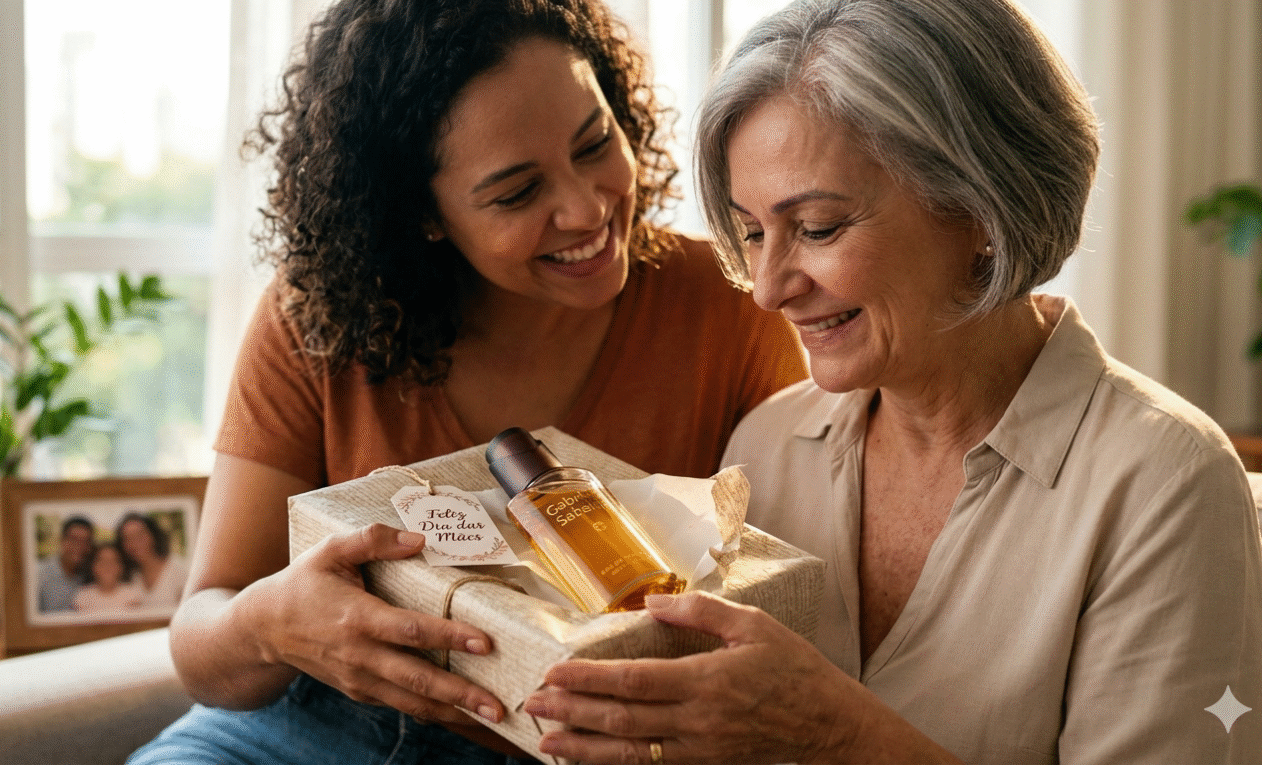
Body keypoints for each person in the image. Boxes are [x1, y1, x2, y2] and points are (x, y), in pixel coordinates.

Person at [520, 1, 1262, 763]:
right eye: (750, 232)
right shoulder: (768, 448)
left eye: (816, 228)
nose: (770, 288)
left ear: (980, 206)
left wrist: (833, 733)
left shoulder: (1167, 482)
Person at [129, 0, 807, 763]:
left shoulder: (729, 306)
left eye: (594, 143)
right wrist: (272, 624)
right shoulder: (316, 320)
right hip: (318, 725)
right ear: (421, 213)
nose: (587, 208)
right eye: (517, 193)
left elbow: (781, 608)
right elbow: (201, 643)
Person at [116, 512, 188, 611]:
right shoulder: (130, 577)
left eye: (140, 535)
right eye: (127, 538)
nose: (134, 543)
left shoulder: (179, 570)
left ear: (153, 535)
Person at [36, 515, 94, 613]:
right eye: (73, 539)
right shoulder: (39, 575)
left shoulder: (91, 573)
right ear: (62, 540)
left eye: (85, 541)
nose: (79, 546)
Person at [73, 542, 146, 614]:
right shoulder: (82, 597)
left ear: (121, 567)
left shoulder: (133, 595)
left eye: (113, 561)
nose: (107, 566)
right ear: (93, 566)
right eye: (102, 561)